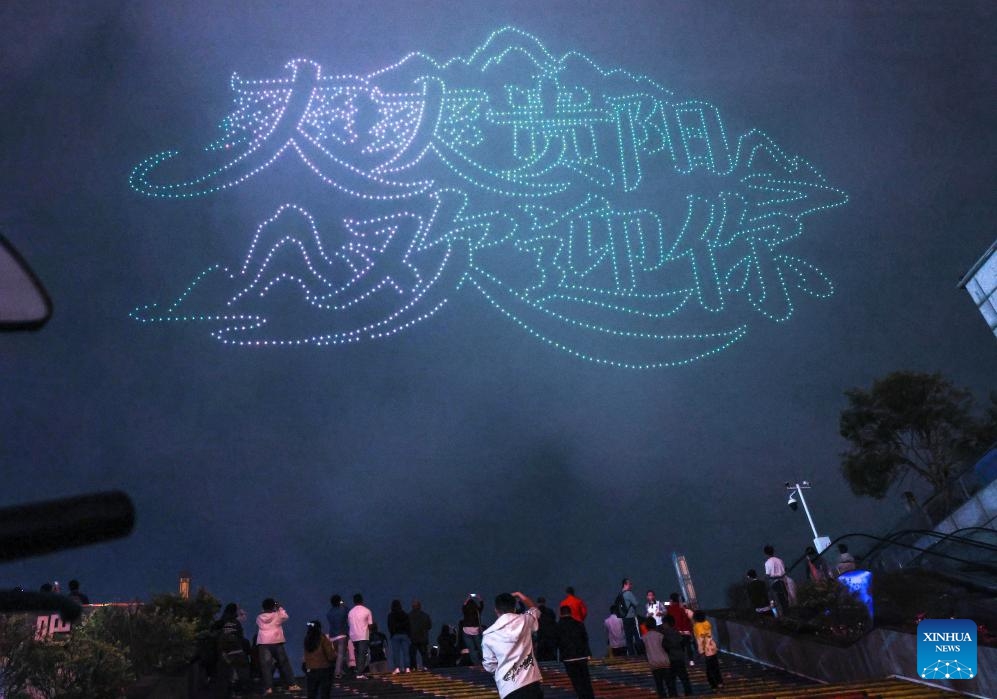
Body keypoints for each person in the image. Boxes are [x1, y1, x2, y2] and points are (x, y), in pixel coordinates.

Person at [481, 591, 543, 699]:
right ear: (514, 608)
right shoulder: (525, 620)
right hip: (531, 682)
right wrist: (520, 595)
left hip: (508, 688)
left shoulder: (488, 635)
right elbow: (535, 610)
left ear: (496, 610)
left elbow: (489, 665)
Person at [256, 598, 301, 694]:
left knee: (266, 666)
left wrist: (265, 610)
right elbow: (285, 616)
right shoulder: (277, 615)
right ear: (273, 606)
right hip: (277, 642)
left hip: (264, 643)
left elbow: (260, 621)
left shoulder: (259, 617)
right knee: (284, 664)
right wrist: (279, 607)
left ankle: (269, 688)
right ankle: (292, 685)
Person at [556, 604, 594, 699]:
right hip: (581, 656)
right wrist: (588, 653)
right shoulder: (579, 623)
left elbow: (556, 641)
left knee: (576, 682)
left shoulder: (558, 626)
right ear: (570, 613)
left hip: (568, 658)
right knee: (586, 680)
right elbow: (585, 639)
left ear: (561, 614)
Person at [213, 603, 251, 694]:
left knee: (226, 674)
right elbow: (241, 637)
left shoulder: (221, 622)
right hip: (237, 650)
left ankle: (229, 689)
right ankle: (240, 689)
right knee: (242, 670)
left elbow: (215, 633)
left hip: (224, 652)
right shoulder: (236, 623)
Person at [660, 615, 693, 696]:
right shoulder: (677, 632)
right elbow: (682, 643)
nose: (662, 625)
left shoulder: (664, 634)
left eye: (663, 623)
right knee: (684, 678)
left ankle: (673, 694)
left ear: (666, 624)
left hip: (671, 659)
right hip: (680, 658)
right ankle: (688, 693)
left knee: (671, 680)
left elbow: (664, 646)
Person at [303, 620, 335, 699]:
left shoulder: (307, 639)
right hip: (324, 669)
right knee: (325, 694)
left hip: (310, 669)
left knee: (311, 694)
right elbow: (330, 655)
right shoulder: (322, 638)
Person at [692, 610, 722, 692]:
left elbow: (700, 639)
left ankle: (714, 686)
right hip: (712, 646)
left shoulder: (697, 626)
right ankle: (720, 682)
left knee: (709, 669)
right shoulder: (707, 623)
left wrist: (700, 651)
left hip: (706, 649)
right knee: (715, 666)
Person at [641, 615, 671, 697]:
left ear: (646, 626)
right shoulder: (660, 635)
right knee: (669, 685)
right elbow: (667, 647)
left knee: (659, 685)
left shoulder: (644, 638)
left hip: (654, 664)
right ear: (655, 625)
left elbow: (642, 650)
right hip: (664, 662)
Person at [348, 593, 374, 679]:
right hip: (363, 635)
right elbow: (370, 625)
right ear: (362, 600)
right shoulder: (367, 611)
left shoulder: (350, 612)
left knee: (357, 653)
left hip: (353, 635)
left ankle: (358, 670)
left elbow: (349, 624)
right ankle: (360, 673)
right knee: (363, 654)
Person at [666, 593, 695, 666]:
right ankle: (691, 660)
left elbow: (669, 620)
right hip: (685, 630)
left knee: (679, 647)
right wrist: (689, 630)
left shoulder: (670, 609)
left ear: (672, 600)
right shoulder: (682, 609)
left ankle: (681, 662)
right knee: (688, 645)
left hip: (676, 631)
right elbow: (685, 619)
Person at [326, 595, 349, 680]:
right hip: (342, 634)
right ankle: (337, 672)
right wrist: (342, 604)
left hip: (332, 635)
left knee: (338, 654)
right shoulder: (343, 610)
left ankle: (340, 670)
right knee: (341, 654)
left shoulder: (329, 613)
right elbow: (348, 612)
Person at [617, 578, 642, 656]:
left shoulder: (620, 594)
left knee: (628, 637)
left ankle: (631, 654)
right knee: (636, 635)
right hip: (631, 617)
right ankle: (640, 652)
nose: (631, 585)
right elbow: (636, 603)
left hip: (624, 618)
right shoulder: (629, 593)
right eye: (630, 584)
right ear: (625, 584)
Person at [763, 545, 792, 611]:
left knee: (779, 600)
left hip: (775, 583)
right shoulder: (780, 560)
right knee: (786, 598)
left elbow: (768, 575)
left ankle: (784, 615)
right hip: (783, 581)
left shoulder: (767, 563)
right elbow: (784, 570)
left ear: (766, 553)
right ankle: (789, 612)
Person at [387, 599, 412, 673]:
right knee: (406, 652)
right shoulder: (405, 614)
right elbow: (408, 625)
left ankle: (397, 668)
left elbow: (390, 626)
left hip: (395, 635)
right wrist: (408, 634)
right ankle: (407, 668)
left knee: (396, 653)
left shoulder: (391, 615)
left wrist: (392, 633)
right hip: (404, 634)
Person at [461, 593, 485, 665]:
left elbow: (464, 604)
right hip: (475, 630)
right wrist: (479, 597)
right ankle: (486, 661)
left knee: (471, 649)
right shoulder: (477, 610)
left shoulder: (465, 609)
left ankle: (476, 663)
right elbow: (482, 605)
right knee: (480, 646)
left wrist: (468, 597)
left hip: (466, 629)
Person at [408, 600, 432, 670]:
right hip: (423, 638)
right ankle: (426, 667)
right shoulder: (425, 616)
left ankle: (413, 668)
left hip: (413, 639)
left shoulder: (409, 616)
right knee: (424, 654)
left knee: (412, 655)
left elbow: (406, 627)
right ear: (420, 606)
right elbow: (429, 626)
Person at [534, 597, 558, 662]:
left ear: (538, 603)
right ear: (544, 603)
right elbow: (554, 624)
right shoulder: (550, 612)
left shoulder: (535, 613)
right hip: (550, 639)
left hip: (540, 639)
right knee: (551, 659)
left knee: (540, 660)